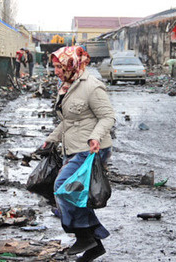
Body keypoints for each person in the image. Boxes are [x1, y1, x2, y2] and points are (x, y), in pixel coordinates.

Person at [42, 46, 115, 261]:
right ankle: (94, 244)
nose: (55, 71)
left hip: (90, 149)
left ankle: (85, 236)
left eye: (59, 66)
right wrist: (51, 139)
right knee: (75, 193)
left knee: (63, 189)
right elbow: (69, 121)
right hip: (72, 147)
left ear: (71, 65)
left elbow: (108, 117)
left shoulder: (92, 87)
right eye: (54, 66)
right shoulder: (67, 85)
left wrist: (95, 137)